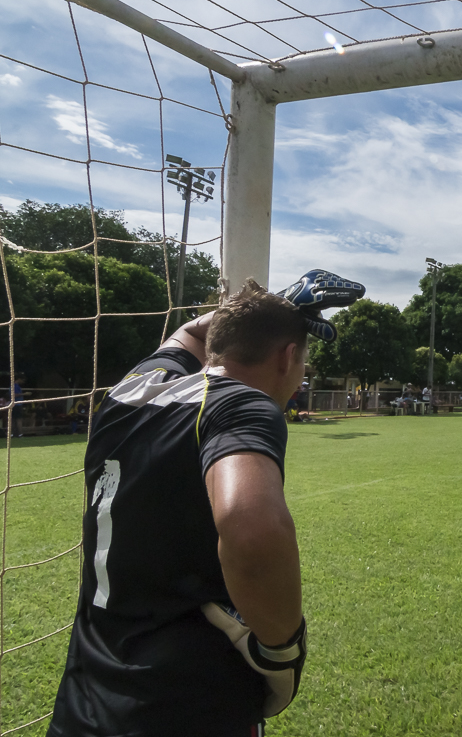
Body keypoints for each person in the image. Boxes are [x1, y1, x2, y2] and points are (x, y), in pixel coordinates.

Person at [48, 271, 364, 737]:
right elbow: (251, 530)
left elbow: (191, 332)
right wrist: (283, 650)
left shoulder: (131, 391)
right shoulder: (241, 404)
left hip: (86, 701)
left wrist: (266, 311)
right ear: (288, 357)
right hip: (186, 703)